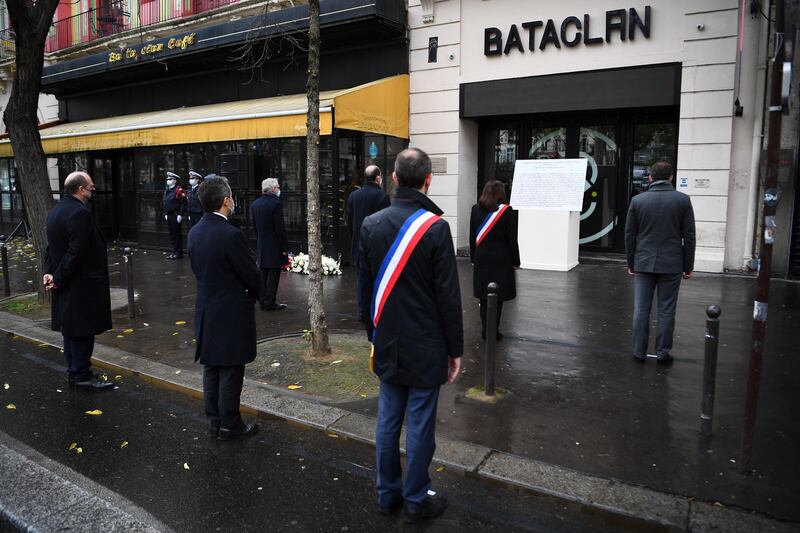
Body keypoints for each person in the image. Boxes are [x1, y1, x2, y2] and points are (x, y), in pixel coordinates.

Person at [358, 148, 463, 524]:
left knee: (387, 422)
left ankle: (387, 494)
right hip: (426, 345)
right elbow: (448, 299)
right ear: (428, 180)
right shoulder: (435, 229)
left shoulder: (371, 225)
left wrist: (373, 333)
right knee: (419, 425)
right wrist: (455, 350)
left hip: (387, 340)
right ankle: (416, 499)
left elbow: (364, 290)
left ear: (394, 178)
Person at [188, 176, 261, 440]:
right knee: (231, 369)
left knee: (212, 368)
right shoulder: (231, 235)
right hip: (231, 311)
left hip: (206, 309)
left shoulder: (195, 231)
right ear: (226, 200)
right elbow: (251, 275)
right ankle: (231, 424)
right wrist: (258, 293)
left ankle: (215, 421)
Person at [43, 171, 114, 391]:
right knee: (82, 331)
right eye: (90, 185)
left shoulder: (56, 211)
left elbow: (51, 248)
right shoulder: (79, 213)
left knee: (71, 331)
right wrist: (59, 278)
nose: (94, 188)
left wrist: (50, 273)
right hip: (80, 284)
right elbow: (76, 251)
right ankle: (82, 374)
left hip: (66, 282)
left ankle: (75, 372)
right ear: (80, 189)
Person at [625, 161, 696, 365]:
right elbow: (689, 236)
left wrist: (631, 263)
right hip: (672, 263)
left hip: (644, 262)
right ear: (671, 177)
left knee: (641, 310)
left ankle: (639, 352)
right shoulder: (682, 200)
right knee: (666, 310)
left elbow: (630, 236)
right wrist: (688, 266)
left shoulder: (638, 201)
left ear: (650, 178)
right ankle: (663, 353)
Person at [469, 180, 520, 341]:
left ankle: (485, 330)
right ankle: (493, 331)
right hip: (501, 259)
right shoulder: (506, 211)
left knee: (484, 296)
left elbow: (472, 237)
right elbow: (512, 239)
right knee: (497, 297)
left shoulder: (475, 210)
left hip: (481, 257)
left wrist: (473, 258)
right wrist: (516, 261)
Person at [346, 165, 390, 321]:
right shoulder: (383, 197)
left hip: (359, 245)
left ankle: (362, 312)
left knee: (362, 281)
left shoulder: (353, 196)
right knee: (377, 281)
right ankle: (376, 311)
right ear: (378, 178)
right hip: (377, 247)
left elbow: (349, 222)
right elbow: (386, 225)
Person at [251, 178, 288, 311]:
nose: (279, 189)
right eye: (277, 187)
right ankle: (270, 302)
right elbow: (280, 228)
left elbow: (254, 227)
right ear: (273, 189)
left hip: (262, 243)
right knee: (273, 274)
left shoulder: (255, 204)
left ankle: (262, 300)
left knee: (263, 273)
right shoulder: (275, 204)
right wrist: (284, 247)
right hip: (274, 245)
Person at [163, 171, 187, 260]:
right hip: (169, 214)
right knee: (172, 234)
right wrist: (165, 213)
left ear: (175, 181)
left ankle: (178, 253)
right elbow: (166, 202)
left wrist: (180, 214)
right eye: (167, 179)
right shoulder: (167, 190)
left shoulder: (178, 190)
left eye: (170, 179)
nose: (168, 181)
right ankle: (174, 251)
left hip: (175, 214)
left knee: (177, 234)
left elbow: (183, 203)